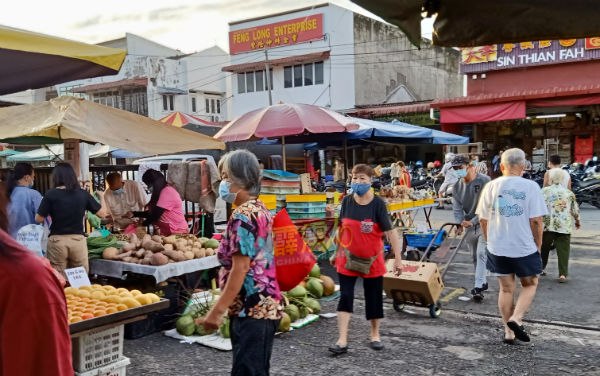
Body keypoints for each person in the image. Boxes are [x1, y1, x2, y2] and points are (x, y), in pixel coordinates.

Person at [199, 150, 281, 376]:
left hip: (253, 308)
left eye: (225, 177)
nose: (223, 183)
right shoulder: (259, 208)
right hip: (260, 307)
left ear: (240, 179)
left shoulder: (243, 216)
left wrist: (216, 312)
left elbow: (241, 268)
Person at [0, 183, 74, 376]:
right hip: (77, 241)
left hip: (54, 242)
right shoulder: (80, 194)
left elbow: (39, 218)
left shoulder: (25, 277)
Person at [329, 164, 403, 354]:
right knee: (345, 297)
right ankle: (342, 340)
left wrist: (398, 258)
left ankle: (375, 334)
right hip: (347, 259)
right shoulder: (346, 201)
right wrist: (335, 251)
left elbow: (390, 232)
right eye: (355, 178)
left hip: (373, 261)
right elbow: (341, 229)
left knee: (373, 298)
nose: (358, 182)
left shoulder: (378, 204)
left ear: (371, 181)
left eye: (362, 178)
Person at [476, 148, 548, 344]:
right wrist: (538, 245)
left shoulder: (491, 186)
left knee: (506, 289)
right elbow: (536, 221)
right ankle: (517, 318)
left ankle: (508, 332)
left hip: (497, 246)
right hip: (524, 246)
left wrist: (490, 241)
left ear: (501, 166)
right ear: (524, 167)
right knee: (530, 283)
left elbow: (483, 219)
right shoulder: (531, 187)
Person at [35, 163, 108, 277]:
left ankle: (61, 295)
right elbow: (103, 214)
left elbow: (38, 219)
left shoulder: (50, 194)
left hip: (57, 241)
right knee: (80, 277)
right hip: (77, 241)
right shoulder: (83, 194)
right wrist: (102, 196)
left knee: (58, 277)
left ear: (56, 177)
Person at [452, 155, 491, 301]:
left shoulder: (485, 181)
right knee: (474, 256)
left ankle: (478, 285)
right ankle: (482, 282)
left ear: (470, 166)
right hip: (468, 225)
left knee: (481, 253)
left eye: (460, 168)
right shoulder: (456, 187)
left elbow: (488, 205)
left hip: (485, 222)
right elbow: (457, 208)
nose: (457, 171)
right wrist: (459, 223)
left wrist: (474, 221)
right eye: (455, 169)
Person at [541, 168, 580, 282]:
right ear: (563, 179)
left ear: (550, 179)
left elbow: (538, 208)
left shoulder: (544, 191)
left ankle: (541, 268)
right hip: (564, 226)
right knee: (564, 250)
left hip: (548, 225)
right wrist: (577, 221)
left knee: (544, 248)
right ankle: (562, 274)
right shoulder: (569, 193)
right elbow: (574, 210)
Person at [130, 169, 188, 236]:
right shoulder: (160, 194)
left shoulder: (167, 192)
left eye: (149, 185)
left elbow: (155, 215)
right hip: (168, 232)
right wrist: (134, 214)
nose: (148, 188)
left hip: (178, 232)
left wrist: (142, 224)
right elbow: (151, 213)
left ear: (155, 183)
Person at [5, 162, 42, 238]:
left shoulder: (6, 193)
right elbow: (41, 218)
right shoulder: (34, 194)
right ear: (27, 177)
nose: (33, 179)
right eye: (33, 177)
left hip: (10, 241)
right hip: (30, 240)